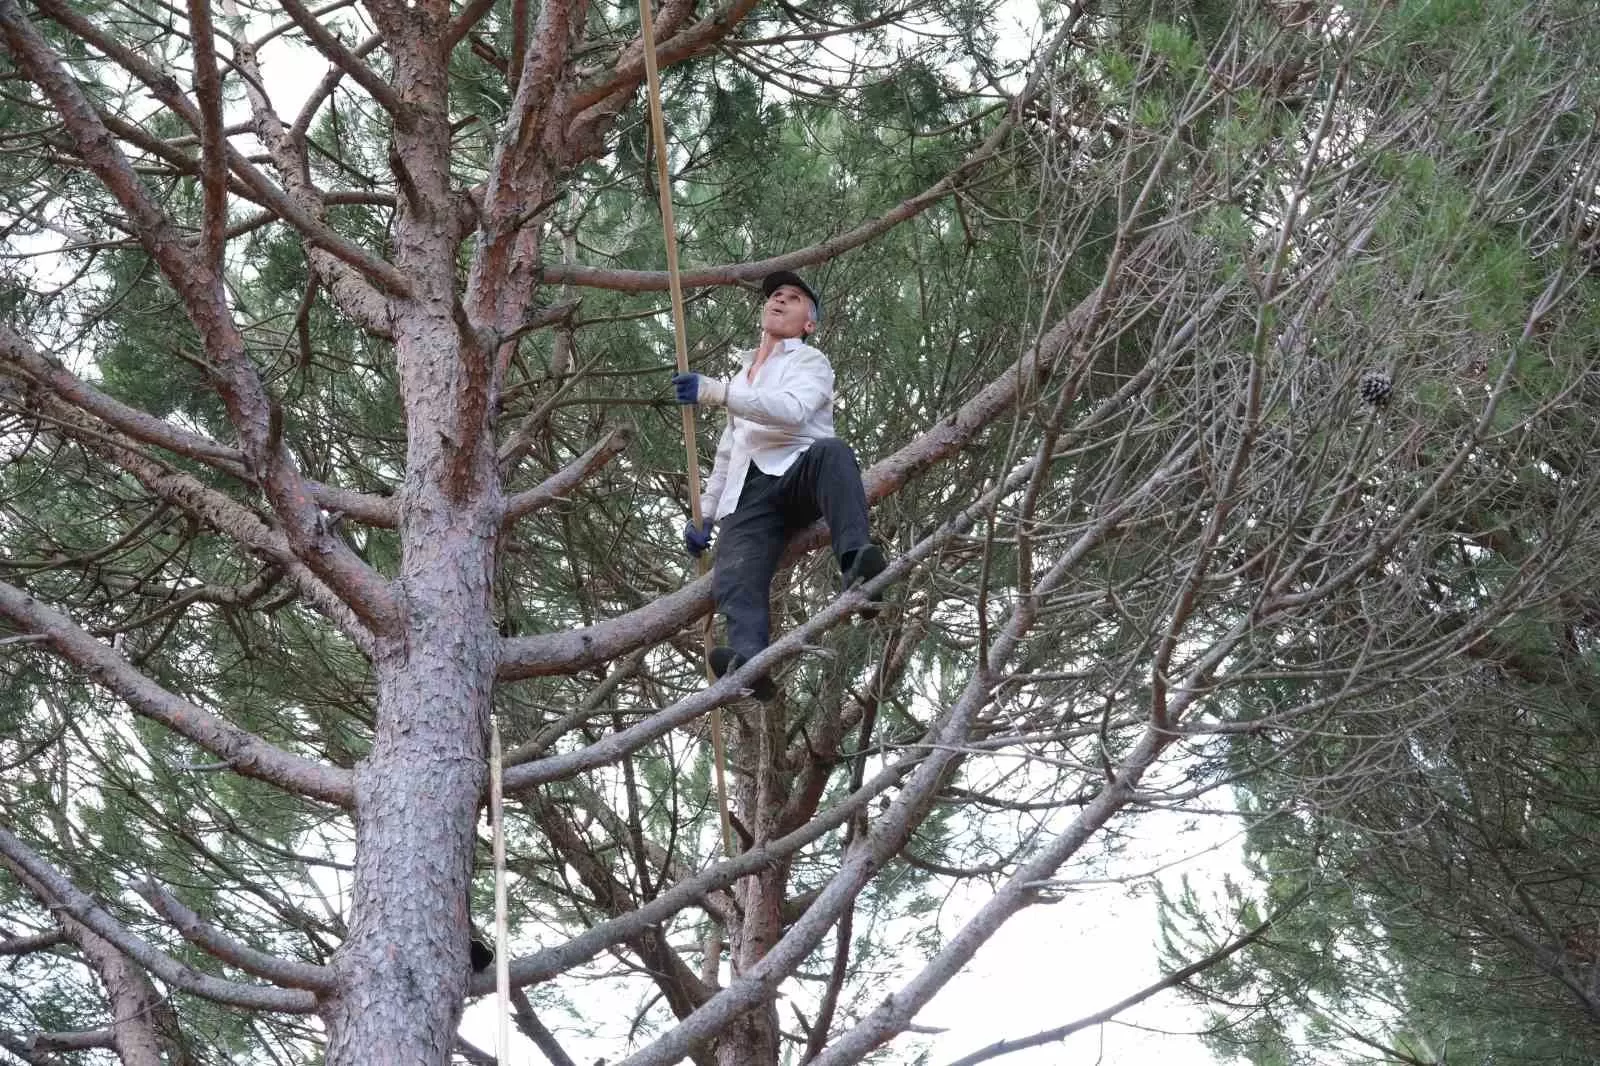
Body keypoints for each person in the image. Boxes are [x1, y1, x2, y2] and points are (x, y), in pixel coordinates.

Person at [671, 270, 886, 700]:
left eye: (794, 298)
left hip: (797, 471)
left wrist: (717, 392)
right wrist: (706, 514)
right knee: (733, 570)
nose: (780, 300)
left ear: (809, 323)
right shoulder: (745, 374)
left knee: (834, 453)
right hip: (748, 496)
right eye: (775, 295)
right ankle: (750, 661)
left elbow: (791, 411)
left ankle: (858, 564)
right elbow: (729, 453)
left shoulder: (809, 361)